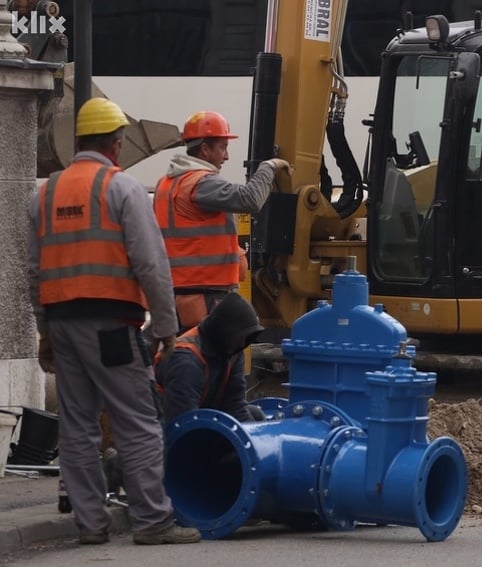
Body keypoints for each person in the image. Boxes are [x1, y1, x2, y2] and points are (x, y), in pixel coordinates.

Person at [26, 97, 201, 546]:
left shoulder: (43, 194)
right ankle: (153, 522)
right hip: (112, 326)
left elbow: (34, 271)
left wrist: (45, 331)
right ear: (116, 144)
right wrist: (166, 328)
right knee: (136, 422)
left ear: (79, 141)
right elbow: (151, 265)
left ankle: (90, 525)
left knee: (78, 425)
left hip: (63, 326)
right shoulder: (119, 188)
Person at [152, 110, 292, 333]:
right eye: (223, 148)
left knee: (184, 358)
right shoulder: (202, 183)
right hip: (204, 295)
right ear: (205, 149)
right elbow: (250, 199)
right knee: (209, 359)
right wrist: (268, 168)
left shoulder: (166, 184)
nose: (226, 157)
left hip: (179, 293)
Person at [155, 291, 266, 423]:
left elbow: (234, 405)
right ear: (225, 333)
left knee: (255, 415)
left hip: (201, 410)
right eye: (240, 339)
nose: (242, 345)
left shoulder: (233, 350)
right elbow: (182, 422)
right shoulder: (186, 361)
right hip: (161, 420)